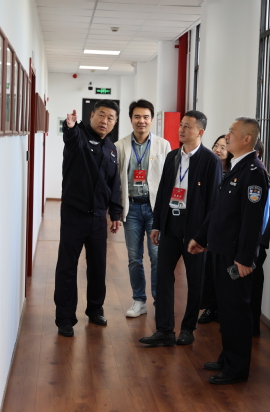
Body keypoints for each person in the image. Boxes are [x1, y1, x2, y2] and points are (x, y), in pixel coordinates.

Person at [188, 117, 269, 384]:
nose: (227, 136)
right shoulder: (236, 167)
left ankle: (236, 368)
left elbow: (252, 222)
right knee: (226, 309)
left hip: (235, 256)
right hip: (220, 249)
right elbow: (218, 211)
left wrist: (245, 258)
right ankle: (227, 357)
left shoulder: (254, 172)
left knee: (236, 311)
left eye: (232, 132)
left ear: (247, 139)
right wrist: (201, 237)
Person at [139, 110, 222, 347]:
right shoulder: (173, 156)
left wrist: (203, 236)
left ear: (200, 131)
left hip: (195, 228)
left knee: (195, 280)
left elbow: (214, 203)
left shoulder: (210, 161)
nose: (181, 129)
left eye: (188, 126)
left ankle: (187, 328)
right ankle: (164, 329)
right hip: (170, 224)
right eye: (181, 125)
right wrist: (157, 224)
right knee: (163, 276)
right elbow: (163, 191)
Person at [54, 100, 123, 337]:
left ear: (115, 122)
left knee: (97, 266)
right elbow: (71, 138)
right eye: (101, 115)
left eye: (110, 118)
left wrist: (115, 213)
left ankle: (95, 309)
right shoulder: (79, 137)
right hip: (74, 214)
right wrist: (70, 127)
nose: (105, 121)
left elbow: (114, 183)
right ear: (92, 115)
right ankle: (65, 318)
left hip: (98, 218)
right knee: (67, 267)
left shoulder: (111, 148)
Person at [114, 99, 171, 317]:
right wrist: (115, 211)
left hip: (154, 209)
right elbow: (116, 181)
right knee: (134, 258)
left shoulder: (163, 145)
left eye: (146, 117)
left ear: (152, 120)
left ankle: (158, 300)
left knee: (157, 257)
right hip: (132, 209)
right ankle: (139, 300)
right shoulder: (120, 146)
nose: (141, 121)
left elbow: (169, 179)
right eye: (137, 117)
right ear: (130, 119)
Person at [198, 135, 232, 325]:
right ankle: (210, 307)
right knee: (208, 271)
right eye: (216, 146)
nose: (218, 150)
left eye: (223, 147)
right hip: (208, 227)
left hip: (225, 231)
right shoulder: (208, 169)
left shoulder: (234, 173)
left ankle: (222, 309)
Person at [251, 139, 270, 336]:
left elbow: (263, 216)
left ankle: (252, 326)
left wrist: (258, 243)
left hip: (256, 243)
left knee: (253, 284)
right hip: (251, 242)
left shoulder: (260, 175)